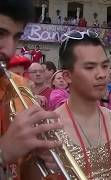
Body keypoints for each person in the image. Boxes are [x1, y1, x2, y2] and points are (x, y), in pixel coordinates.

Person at [46, 30, 111, 179]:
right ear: (67, 76)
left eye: (105, 66)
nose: (102, 74)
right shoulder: (50, 127)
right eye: (90, 67)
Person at [0, 0, 62, 179]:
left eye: (16, 37)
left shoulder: (19, 86)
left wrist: (35, 161)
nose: (10, 49)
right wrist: (3, 152)